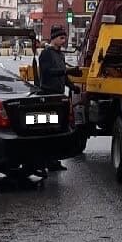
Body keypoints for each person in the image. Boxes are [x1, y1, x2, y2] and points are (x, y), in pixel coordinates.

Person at [38, 26, 72, 171]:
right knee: (48, 129)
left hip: (58, 95)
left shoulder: (60, 55)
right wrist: (65, 71)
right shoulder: (46, 54)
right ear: (54, 38)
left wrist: (72, 85)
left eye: (65, 38)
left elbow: (63, 75)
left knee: (57, 129)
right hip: (48, 95)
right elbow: (47, 72)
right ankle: (45, 161)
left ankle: (53, 160)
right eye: (61, 38)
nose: (64, 41)